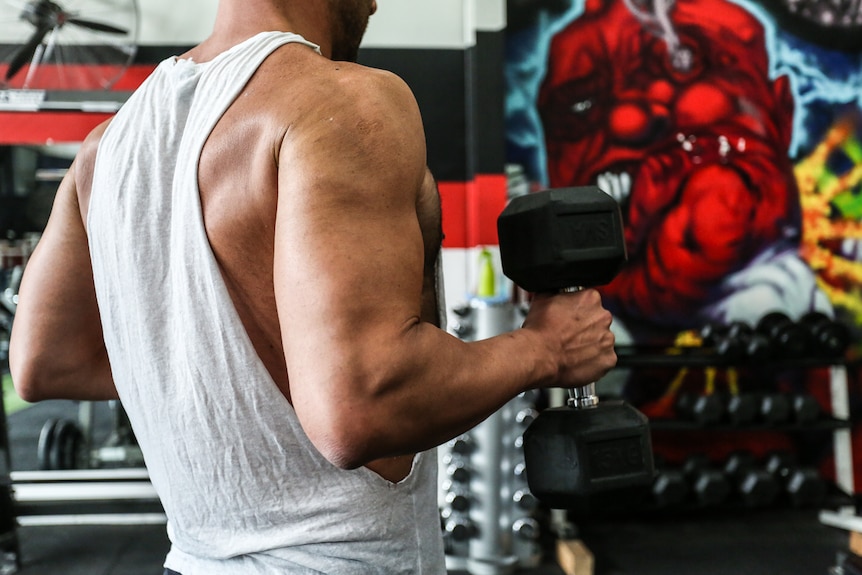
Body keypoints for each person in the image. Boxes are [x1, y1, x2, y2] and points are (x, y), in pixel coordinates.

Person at [9, 1, 617, 573]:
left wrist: (243, 367)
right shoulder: (342, 101)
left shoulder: (107, 146)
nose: (375, 5)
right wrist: (544, 348)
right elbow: (360, 406)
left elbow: (46, 361)